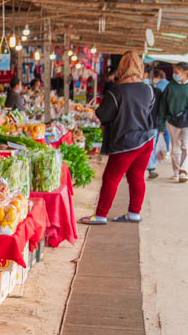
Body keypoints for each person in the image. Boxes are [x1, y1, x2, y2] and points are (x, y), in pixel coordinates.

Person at [80, 51, 156, 224]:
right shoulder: (148, 90)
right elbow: (148, 110)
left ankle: (100, 215)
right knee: (137, 176)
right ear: (140, 67)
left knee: (111, 177)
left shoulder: (117, 91)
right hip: (146, 139)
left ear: (121, 67)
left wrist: (97, 110)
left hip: (126, 141)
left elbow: (104, 115)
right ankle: (134, 213)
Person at [158, 62, 188, 182]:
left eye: (177, 72)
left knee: (186, 146)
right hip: (172, 122)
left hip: (187, 122)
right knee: (175, 148)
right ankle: (176, 172)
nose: (174, 75)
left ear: (186, 72)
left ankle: (184, 170)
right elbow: (162, 106)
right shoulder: (170, 87)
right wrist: (160, 125)